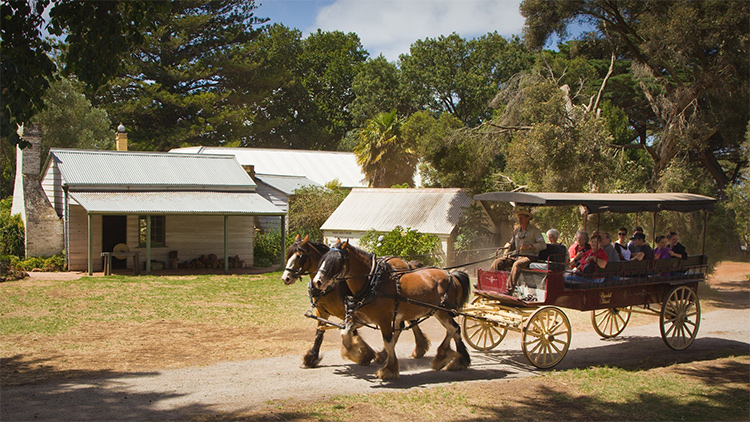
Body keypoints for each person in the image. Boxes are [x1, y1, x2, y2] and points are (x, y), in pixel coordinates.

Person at [490, 207, 546, 292]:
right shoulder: (517, 231)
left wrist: (530, 246)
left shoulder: (535, 231)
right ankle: (490, 284)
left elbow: (543, 245)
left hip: (530, 257)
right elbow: (511, 243)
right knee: (498, 262)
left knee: (517, 264)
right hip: (517, 256)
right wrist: (507, 246)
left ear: (527, 218)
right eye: (518, 218)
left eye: (521, 218)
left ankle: (509, 289)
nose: (519, 220)